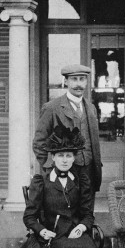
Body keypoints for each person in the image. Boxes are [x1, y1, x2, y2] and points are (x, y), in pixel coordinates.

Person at [0, 125, 101, 248]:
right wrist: (42, 230)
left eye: (69, 156)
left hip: (76, 232)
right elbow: (30, 217)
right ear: (52, 157)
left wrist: (82, 227)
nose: (65, 160)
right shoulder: (42, 181)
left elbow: (88, 214)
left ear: (74, 158)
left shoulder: (81, 180)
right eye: (61, 155)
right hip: (53, 235)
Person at [33, 64, 102, 194]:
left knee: (87, 211)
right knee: (65, 211)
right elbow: (38, 143)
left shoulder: (91, 108)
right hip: (62, 172)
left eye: (82, 79)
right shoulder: (52, 107)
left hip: (88, 172)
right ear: (66, 81)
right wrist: (51, 167)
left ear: (87, 82)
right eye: (74, 79)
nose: (78, 84)